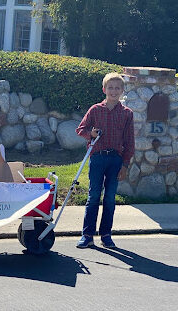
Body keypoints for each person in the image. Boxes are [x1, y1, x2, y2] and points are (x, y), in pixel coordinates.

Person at [75, 72, 134, 249]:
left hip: (115, 160)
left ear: (123, 91)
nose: (114, 91)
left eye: (117, 88)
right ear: (104, 89)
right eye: (110, 88)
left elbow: (129, 141)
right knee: (93, 196)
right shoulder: (95, 110)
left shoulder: (126, 114)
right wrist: (90, 134)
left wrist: (125, 165)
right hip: (97, 158)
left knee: (109, 198)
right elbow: (81, 129)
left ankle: (106, 235)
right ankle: (87, 235)